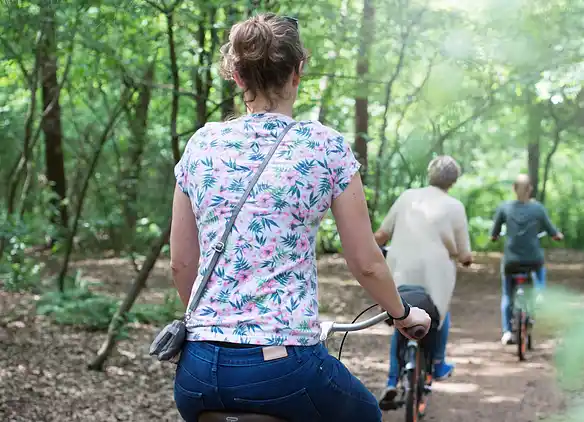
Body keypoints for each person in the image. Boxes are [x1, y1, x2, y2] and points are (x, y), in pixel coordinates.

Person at [169, 14, 430, 422]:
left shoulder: (201, 144)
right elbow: (365, 261)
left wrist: (215, 328)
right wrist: (401, 314)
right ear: (298, 71)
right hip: (283, 367)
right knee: (368, 416)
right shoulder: (325, 147)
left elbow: (181, 263)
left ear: (236, 77)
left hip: (198, 370)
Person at [373, 155, 473, 408]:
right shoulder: (455, 206)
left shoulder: (407, 197)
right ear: (453, 180)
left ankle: (392, 380)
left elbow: (381, 235)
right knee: (440, 312)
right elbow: (465, 255)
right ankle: (438, 364)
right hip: (435, 279)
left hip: (400, 274)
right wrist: (465, 258)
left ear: (430, 174)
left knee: (401, 314)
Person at [490, 174, 563, 345]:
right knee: (539, 267)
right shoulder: (538, 209)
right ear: (530, 189)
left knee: (508, 295)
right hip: (533, 260)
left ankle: (507, 332)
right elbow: (552, 231)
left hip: (511, 261)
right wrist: (557, 235)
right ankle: (539, 293)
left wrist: (494, 237)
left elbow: (493, 234)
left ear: (514, 189)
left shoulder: (504, 208)